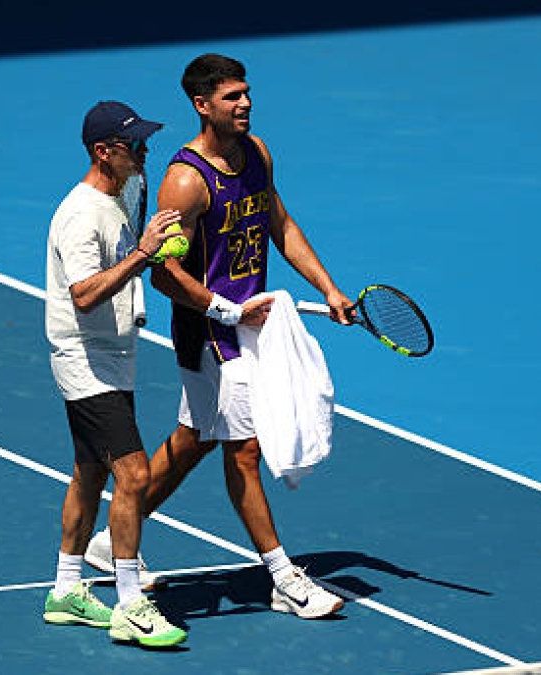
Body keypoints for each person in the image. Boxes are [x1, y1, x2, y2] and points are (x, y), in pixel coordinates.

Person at [85, 54, 353, 619]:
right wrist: (229, 312)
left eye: (247, 93)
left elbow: (280, 225)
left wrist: (328, 288)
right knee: (245, 450)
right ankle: (284, 578)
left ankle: (112, 539)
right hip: (211, 334)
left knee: (193, 440)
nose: (245, 104)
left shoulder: (257, 155)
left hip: (249, 326)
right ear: (202, 106)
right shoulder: (185, 182)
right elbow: (163, 273)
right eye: (232, 97)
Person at [41, 100, 186, 647]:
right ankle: (130, 605)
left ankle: (66, 590)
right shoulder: (81, 214)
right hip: (86, 358)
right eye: (134, 144)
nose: (144, 150)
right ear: (104, 152)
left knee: (90, 473)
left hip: (112, 355)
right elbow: (83, 295)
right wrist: (143, 253)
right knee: (135, 476)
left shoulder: (114, 200)